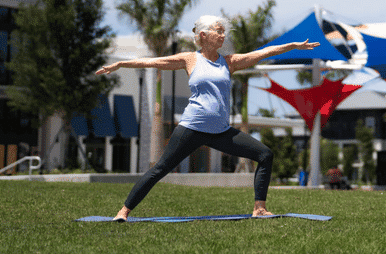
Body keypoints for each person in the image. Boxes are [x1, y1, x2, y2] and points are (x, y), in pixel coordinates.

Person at [96, 15, 320, 221]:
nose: (223, 35)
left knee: (265, 154)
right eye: (218, 31)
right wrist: (121, 64)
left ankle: (259, 208)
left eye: (224, 32)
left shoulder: (229, 62)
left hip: (220, 132)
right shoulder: (189, 59)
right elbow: (153, 62)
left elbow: (265, 52)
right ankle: (123, 212)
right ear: (203, 35)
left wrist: (293, 46)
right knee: (160, 169)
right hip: (191, 128)